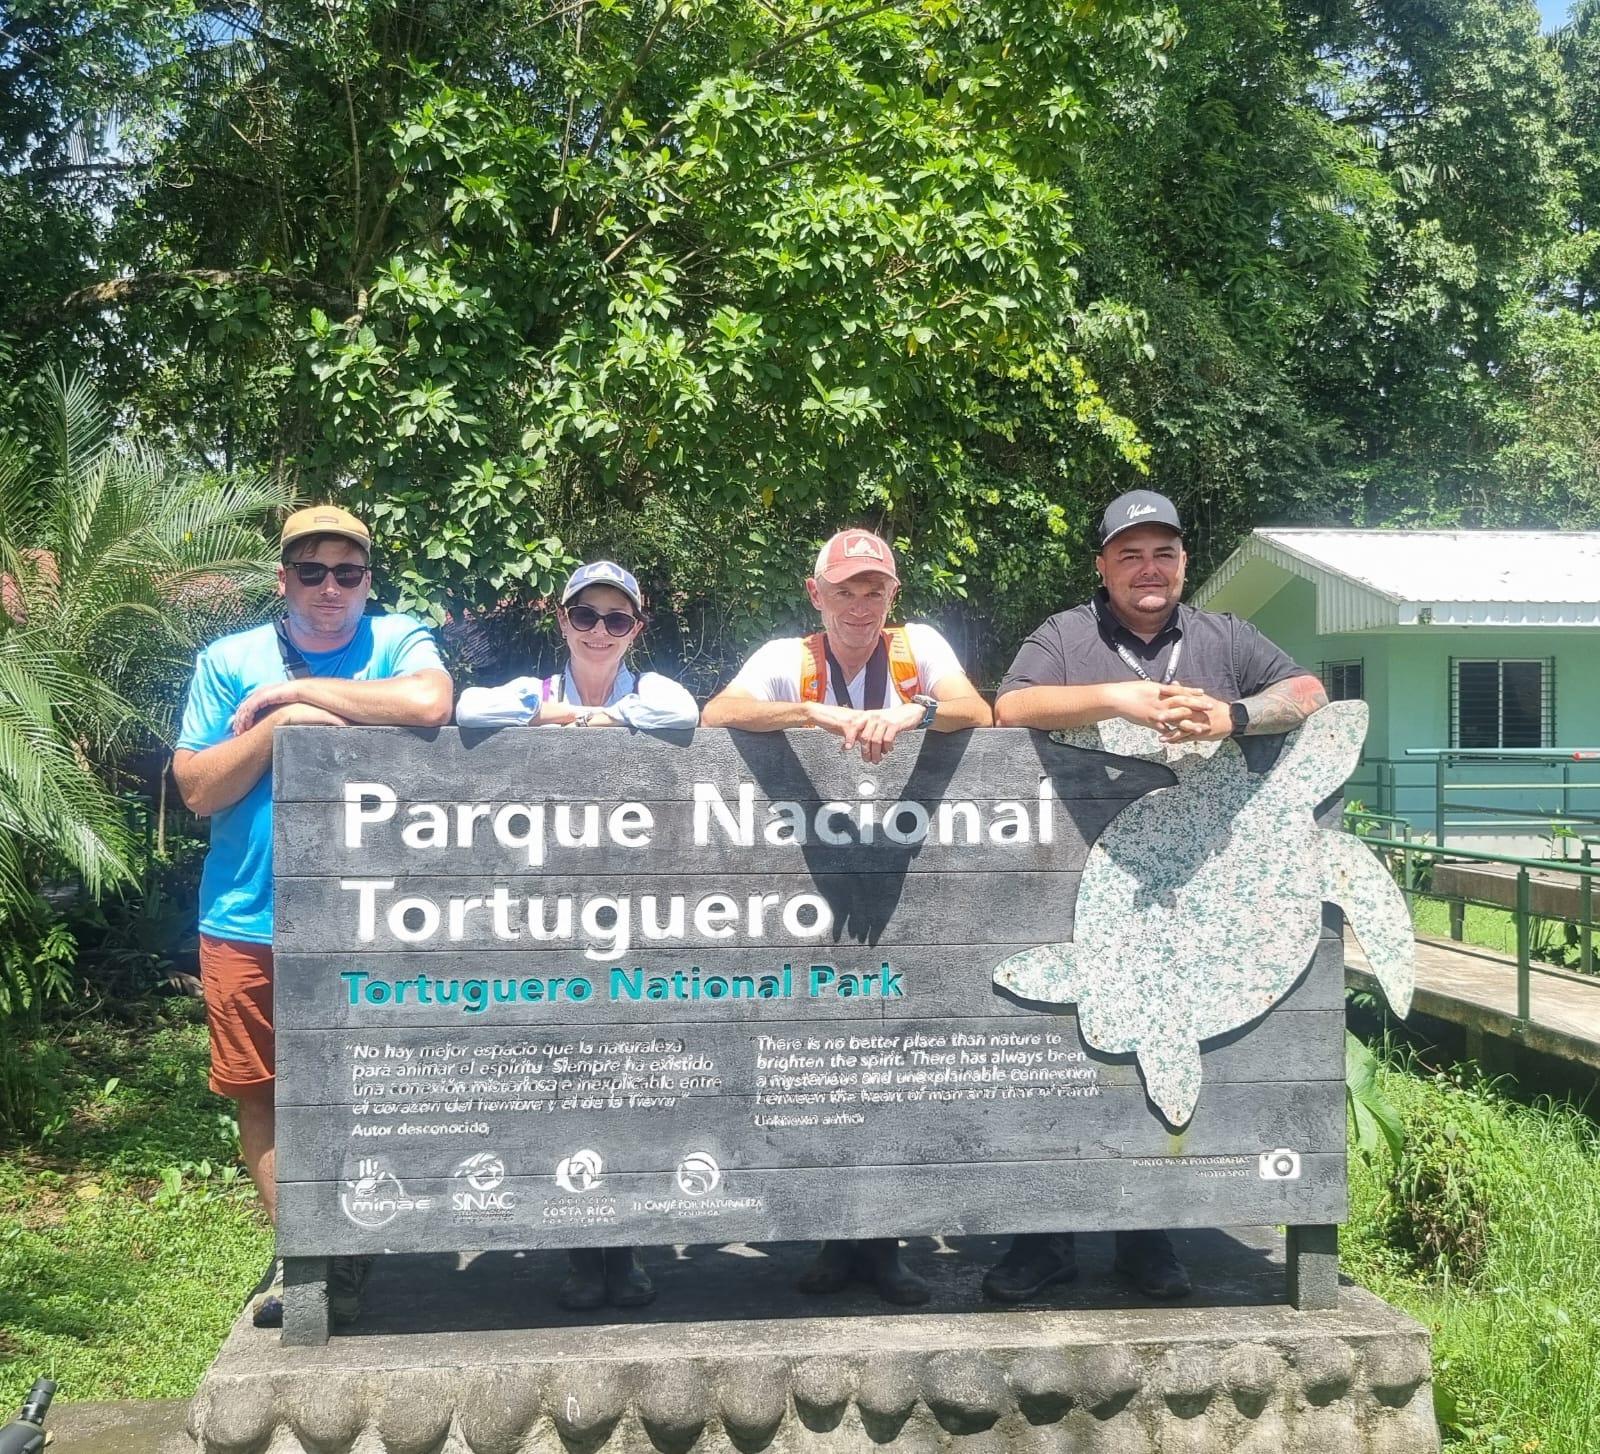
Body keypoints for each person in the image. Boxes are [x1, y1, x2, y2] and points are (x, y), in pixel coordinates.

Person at [986, 487, 1329, 1302]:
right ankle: (1042, 1241)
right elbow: (1011, 704)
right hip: (1067, 878)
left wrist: (1235, 715)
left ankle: (1149, 1238)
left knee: (1155, 1062)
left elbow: (1310, 693)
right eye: (1130, 554)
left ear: (1183, 562)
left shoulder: (1225, 638)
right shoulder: (1068, 634)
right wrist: (1115, 697)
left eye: (1164, 553)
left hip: (1193, 901)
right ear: (1103, 566)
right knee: (1054, 1064)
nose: (1149, 568)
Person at [172, 506, 453, 1329]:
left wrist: (295, 692)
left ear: (369, 580)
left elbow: (431, 703)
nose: (330, 589)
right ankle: (307, 1252)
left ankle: (353, 1237)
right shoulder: (227, 660)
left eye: (348, 573)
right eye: (311, 572)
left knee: (372, 1086)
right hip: (248, 913)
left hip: (372, 917)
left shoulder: (398, 640)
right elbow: (198, 789)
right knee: (260, 1093)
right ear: (282, 578)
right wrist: (285, 730)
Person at [702, 527, 992, 1304]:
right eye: (846, 590)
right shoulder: (784, 658)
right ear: (816, 594)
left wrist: (910, 716)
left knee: (891, 1061)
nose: (860, 605)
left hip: (904, 885)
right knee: (816, 1056)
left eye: (875, 589)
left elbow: (976, 709)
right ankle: (835, 1238)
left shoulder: (917, 646)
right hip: (806, 885)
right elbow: (718, 712)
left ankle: (881, 1244)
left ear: (892, 595)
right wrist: (816, 715)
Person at [457, 559, 697, 1311]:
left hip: (637, 913)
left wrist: (598, 719)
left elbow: (686, 713)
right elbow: (466, 708)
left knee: (630, 1085)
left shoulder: (649, 690)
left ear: (637, 628)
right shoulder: (534, 691)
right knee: (564, 1080)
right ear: (562, 621)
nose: (600, 631)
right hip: (548, 912)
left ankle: (625, 1253)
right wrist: (555, 714)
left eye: (616, 620)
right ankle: (579, 1254)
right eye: (585, 617)